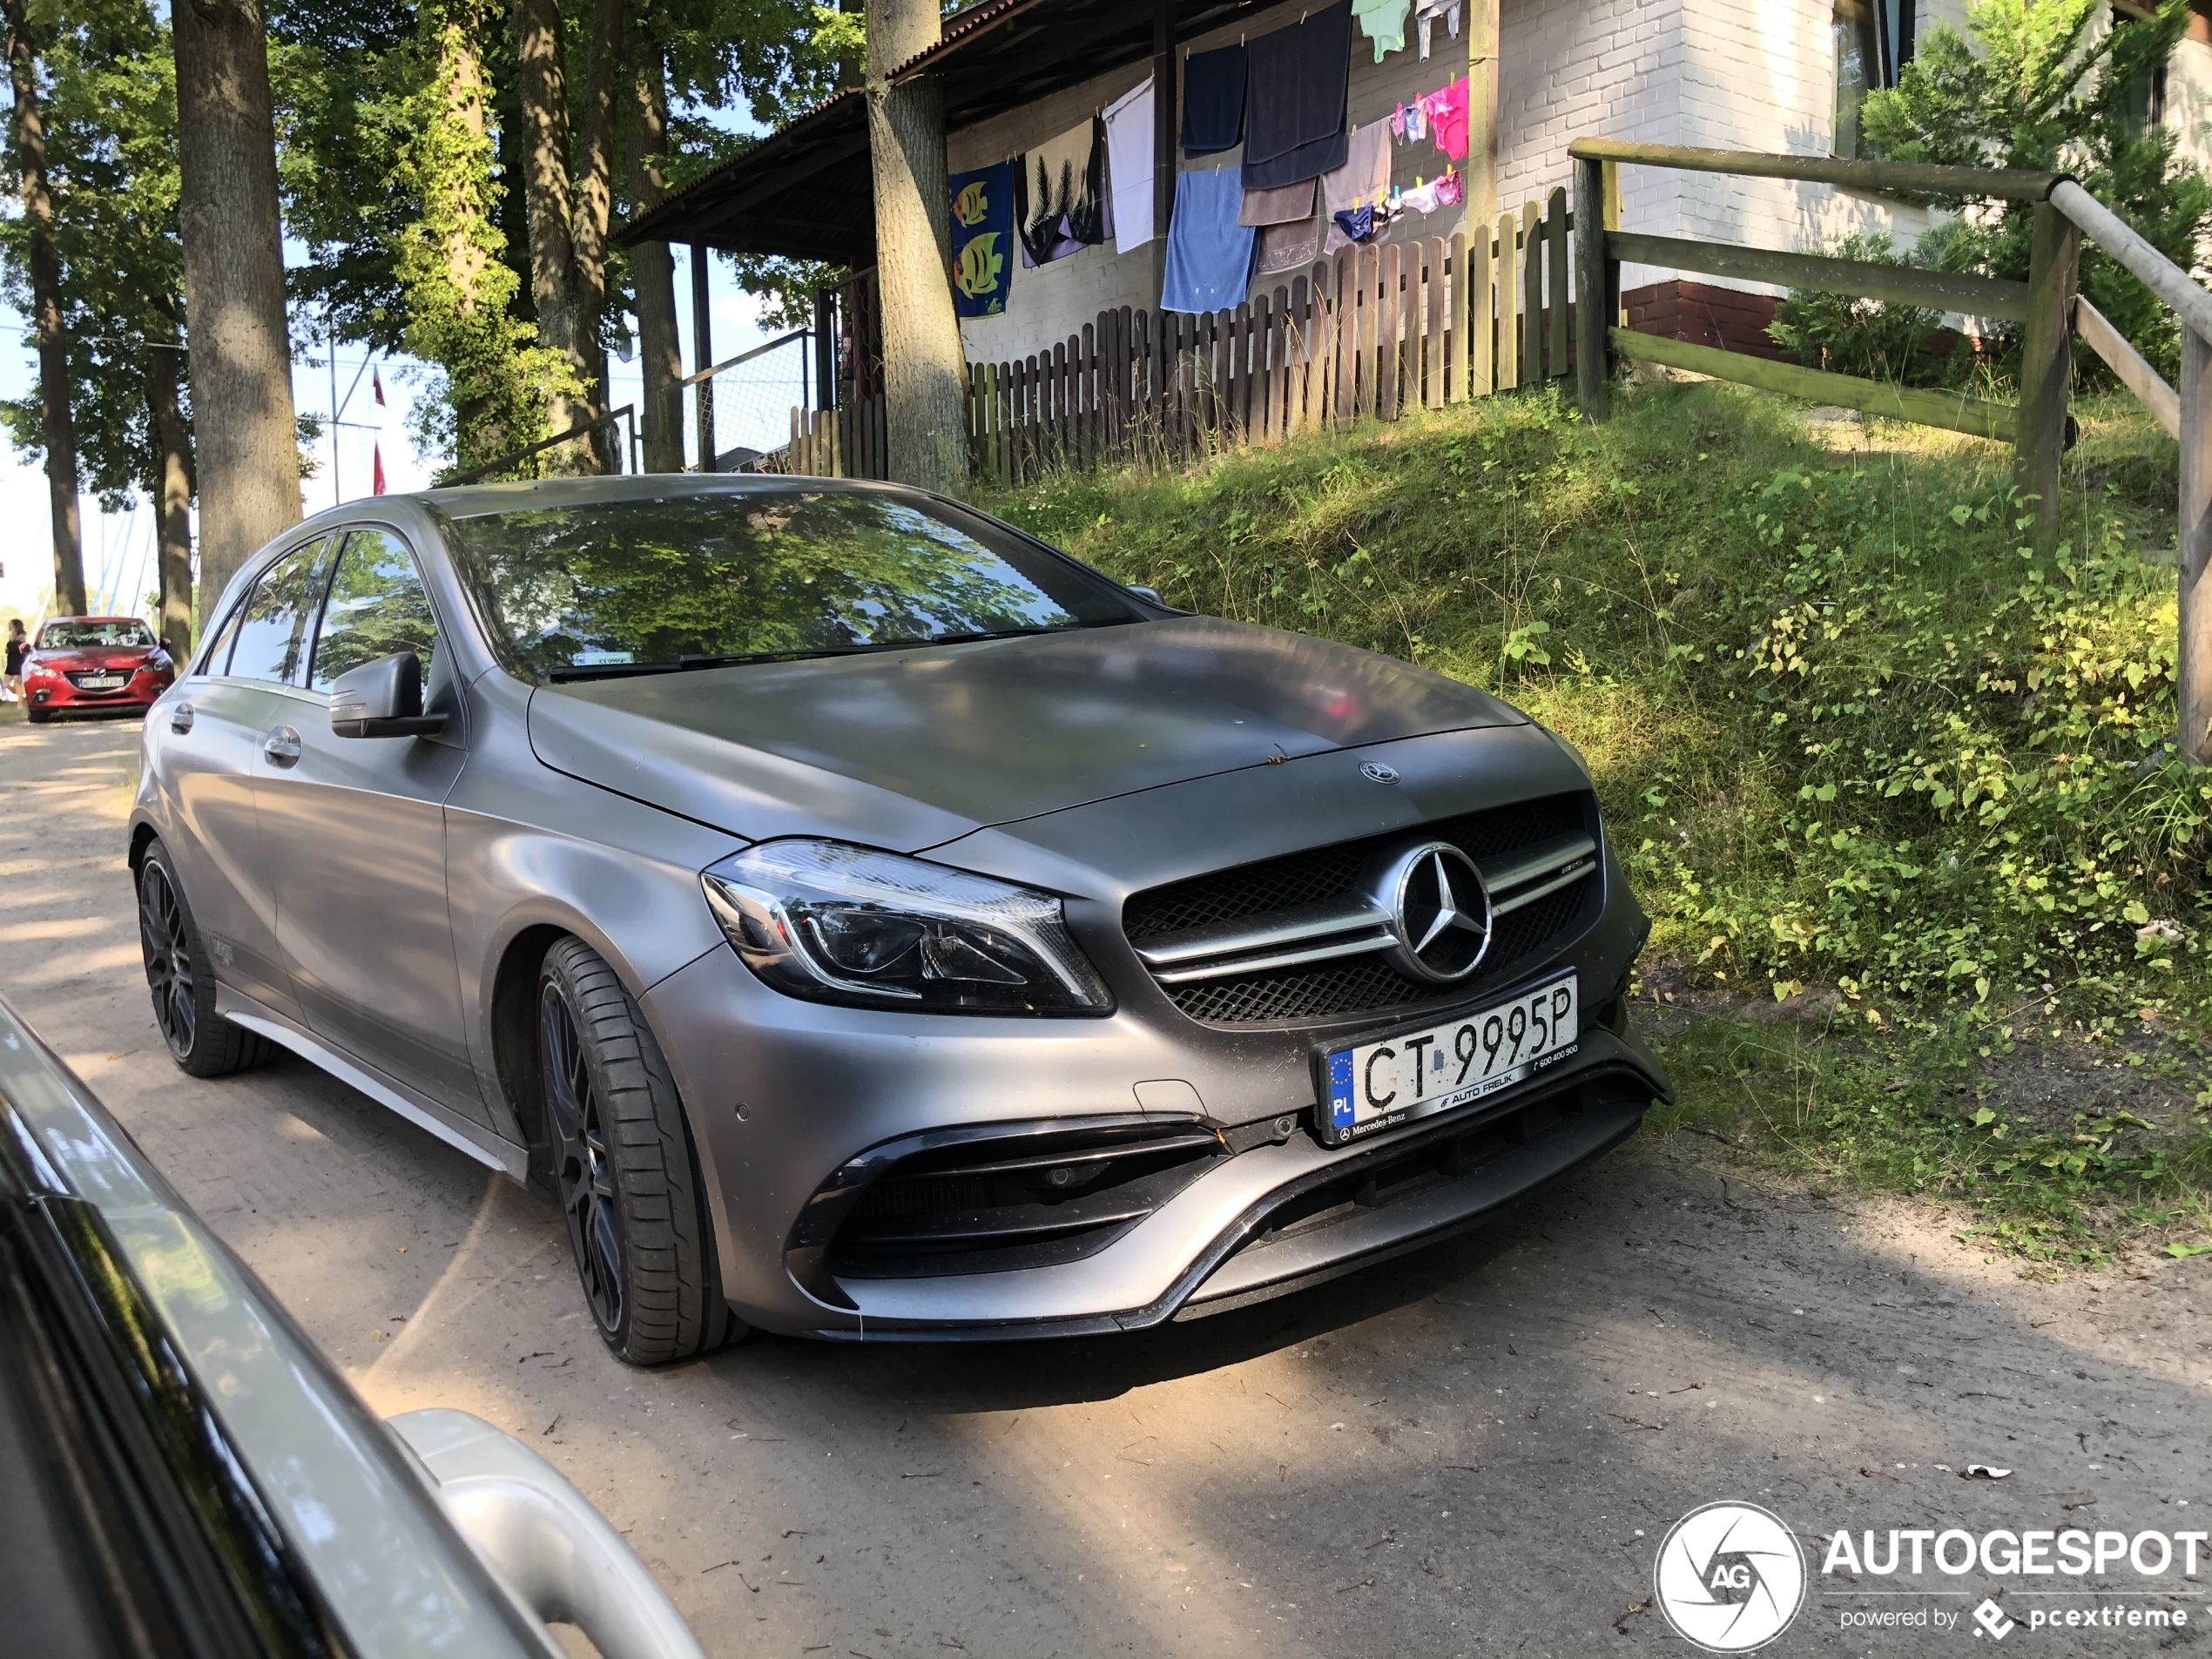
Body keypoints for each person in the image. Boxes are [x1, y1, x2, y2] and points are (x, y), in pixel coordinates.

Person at [3, 618, 24, 704]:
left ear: (16, 626)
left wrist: (14, 640)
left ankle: (20, 702)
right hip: (10, 662)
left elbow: (20, 648)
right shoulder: (10, 636)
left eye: (11, 624)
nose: (9, 626)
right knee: (5, 684)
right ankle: (21, 696)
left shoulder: (22, 636)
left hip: (18, 662)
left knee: (17, 684)